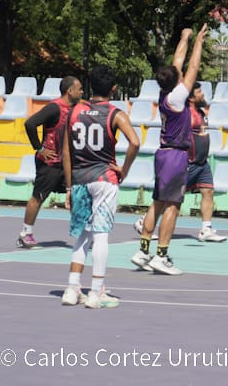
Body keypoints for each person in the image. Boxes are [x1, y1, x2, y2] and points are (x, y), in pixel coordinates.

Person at [131, 24, 207, 275]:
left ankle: (143, 251)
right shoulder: (176, 98)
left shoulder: (165, 93)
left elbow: (177, 61)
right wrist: (198, 42)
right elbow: (192, 67)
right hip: (175, 154)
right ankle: (161, 256)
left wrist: (184, 38)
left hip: (163, 153)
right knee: (173, 206)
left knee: (157, 203)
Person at [61, 65, 139, 308]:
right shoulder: (115, 114)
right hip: (104, 179)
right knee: (101, 234)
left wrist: (68, 186)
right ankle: (96, 291)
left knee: (83, 234)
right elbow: (134, 143)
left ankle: (72, 289)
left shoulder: (74, 111)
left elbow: (66, 151)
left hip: (80, 179)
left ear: (90, 86)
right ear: (114, 88)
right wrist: (124, 169)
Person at [134, 81, 226, 242]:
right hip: (187, 162)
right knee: (167, 198)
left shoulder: (201, 112)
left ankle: (206, 229)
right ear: (190, 97)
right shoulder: (184, 114)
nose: (203, 94)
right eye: (199, 92)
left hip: (202, 163)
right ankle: (143, 222)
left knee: (208, 191)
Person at [17, 76, 83, 248]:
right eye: (80, 88)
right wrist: (39, 148)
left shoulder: (76, 108)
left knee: (76, 195)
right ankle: (25, 233)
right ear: (70, 91)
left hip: (67, 163)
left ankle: (81, 232)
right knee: (38, 196)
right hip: (50, 163)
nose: (82, 92)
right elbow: (30, 124)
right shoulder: (54, 108)